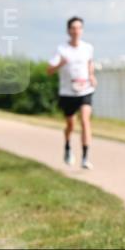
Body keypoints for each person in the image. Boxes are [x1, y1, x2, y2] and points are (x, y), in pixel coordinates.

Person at [47, 16, 97, 169]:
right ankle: (68, 146)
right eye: (73, 28)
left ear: (82, 30)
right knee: (70, 124)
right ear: (68, 30)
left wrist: (91, 75)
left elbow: (90, 63)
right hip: (68, 92)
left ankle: (85, 157)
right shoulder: (62, 49)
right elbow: (49, 70)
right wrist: (60, 64)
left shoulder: (88, 48)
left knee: (85, 120)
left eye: (79, 28)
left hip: (85, 90)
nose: (76, 31)